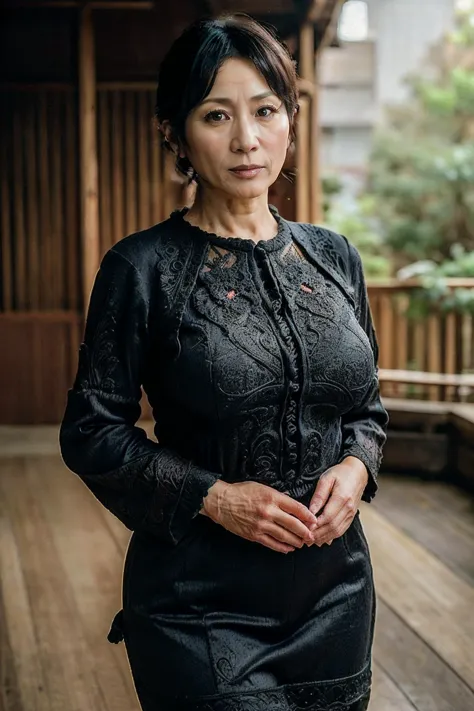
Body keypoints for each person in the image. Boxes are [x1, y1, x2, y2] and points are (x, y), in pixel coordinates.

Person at [59, 13, 389, 711]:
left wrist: (357, 465)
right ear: (175, 133)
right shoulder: (141, 268)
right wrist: (216, 496)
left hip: (337, 592)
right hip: (198, 604)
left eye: (266, 111)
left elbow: (365, 408)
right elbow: (91, 429)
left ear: (289, 121)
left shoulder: (334, 258)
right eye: (217, 115)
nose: (247, 139)